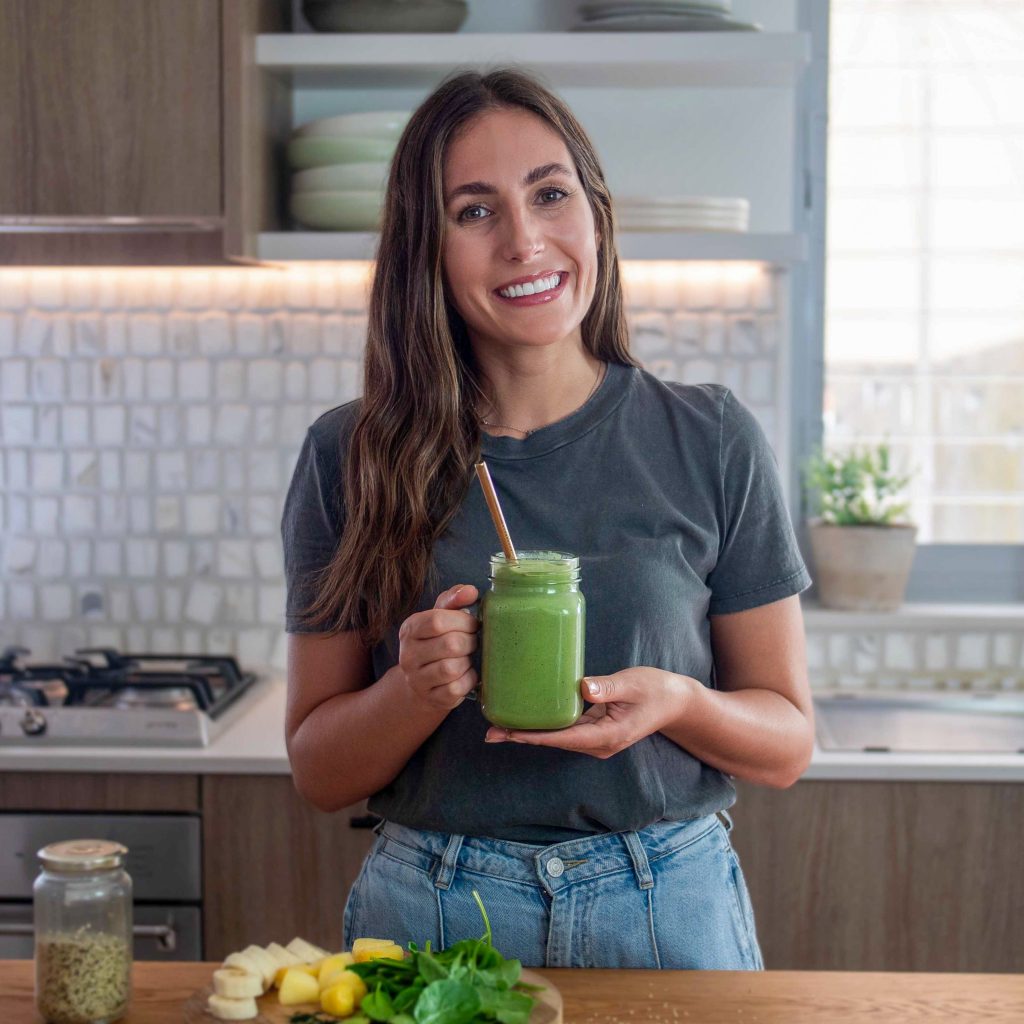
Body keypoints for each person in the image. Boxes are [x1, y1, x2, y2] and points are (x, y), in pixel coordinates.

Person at [282, 66, 814, 971]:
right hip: (431, 914)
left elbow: (787, 743)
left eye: (550, 193)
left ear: (594, 213)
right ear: (429, 247)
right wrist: (410, 692)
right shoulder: (351, 455)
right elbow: (320, 772)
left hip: (665, 904)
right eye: (475, 211)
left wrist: (677, 702)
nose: (526, 241)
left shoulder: (710, 437)